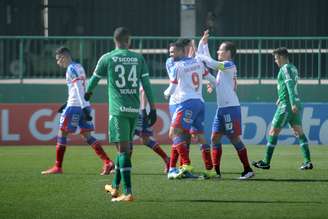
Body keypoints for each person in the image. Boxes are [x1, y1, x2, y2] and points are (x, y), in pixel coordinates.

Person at [85, 27, 157, 202]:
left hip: (118, 112)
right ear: (129, 40)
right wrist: (152, 108)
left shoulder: (107, 58)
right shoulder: (138, 58)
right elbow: (146, 85)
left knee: (123, 150)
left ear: (114, 40)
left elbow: (94, 80)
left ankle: (128, 192)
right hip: (134, 111)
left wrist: (87, 97)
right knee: (124, 150)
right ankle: (115, 187)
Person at [41, 47, 114, 176]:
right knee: (87, 136)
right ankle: (107, 162)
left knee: (62, 133)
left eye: (58, 60)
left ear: (64, 57)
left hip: (75, 106)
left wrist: (79, 105)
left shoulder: (70, 69)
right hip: (81, 104)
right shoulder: (79, 66)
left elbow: (78, 88)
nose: (58, 63)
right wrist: (77, 105)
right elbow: (79, 88)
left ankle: (58, 167)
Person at [197, 30, 254, 180]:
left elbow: (210, 62)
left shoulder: (228, 64)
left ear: (228, 52)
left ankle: (248, 170)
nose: (218, 51)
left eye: (221, 50)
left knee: (234, 138)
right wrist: (203, 44)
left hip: (230, 108)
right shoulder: (223, 67)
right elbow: (216, 81)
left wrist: (199, 52)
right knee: (215, 138)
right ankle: (216, 172)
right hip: (222, 109)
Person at [252, 47, 313, 170]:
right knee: (298, 132)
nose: (275, 61)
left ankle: (266, 162)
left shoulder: (284, 69)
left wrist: (291, 102)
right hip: (291, 103)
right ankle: (307, 162)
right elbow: (289, 86)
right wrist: (282, 98)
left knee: (273, 132)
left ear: (280, 57)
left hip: (287, 106)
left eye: (276, 58)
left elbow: (290, 86)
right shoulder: (293, 68)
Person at [164, 39, 216, 179]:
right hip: (199, 102)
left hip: (185, 102)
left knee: (174, 133)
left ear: (182, 51)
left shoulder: (177, 65)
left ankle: (185, 165)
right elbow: (210, 77)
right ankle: (210, 170)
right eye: (170, 52)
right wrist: (217, 85)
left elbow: (173, 86)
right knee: (198, 136)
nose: (171, 55)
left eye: (174, 52)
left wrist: (166, 93)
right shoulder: (198, 62)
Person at [132, 86, 170, 173]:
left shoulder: (136, 75)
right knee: (141, 140)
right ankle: (167, 159)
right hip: (132, 112)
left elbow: (143, 90)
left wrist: (143, 110)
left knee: (142, 140)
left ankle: (122, 166)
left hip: (138, 113)